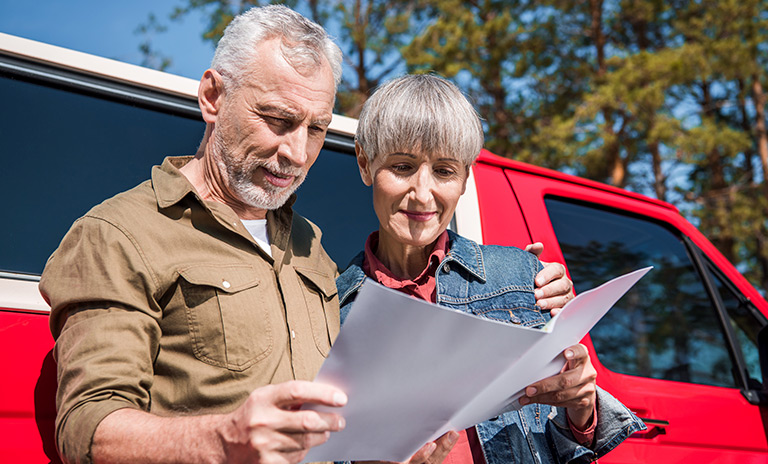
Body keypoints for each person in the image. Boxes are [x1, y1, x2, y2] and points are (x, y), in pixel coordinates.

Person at [40, 6, 573, 464]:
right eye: (276, 119)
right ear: (212, 96)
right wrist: (224, 439)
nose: (296, 153)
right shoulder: (117, 233)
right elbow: (87, 429)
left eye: (316, 129)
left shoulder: (309, 248)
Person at [335, 74, 646, 464]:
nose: (422, 192)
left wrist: (582, 408)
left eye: (444, 171)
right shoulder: (331, 311)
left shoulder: (522, 279)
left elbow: (561, 440)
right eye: (402, 166)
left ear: (465, 178)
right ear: (365, 165)